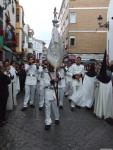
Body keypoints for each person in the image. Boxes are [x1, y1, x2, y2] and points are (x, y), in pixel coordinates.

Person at [94, 50, 113, 119]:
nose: (107, 59)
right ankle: (99, 111)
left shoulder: (109, 67)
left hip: (108, 85)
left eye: (108, 58)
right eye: (106, 58)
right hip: (101, 85)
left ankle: (106, 111)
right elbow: (98, 75)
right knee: (99, 98)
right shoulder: (101, 67)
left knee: (107, 98)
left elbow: (110, 76)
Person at [43, 63, 60, 130]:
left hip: (55, 91)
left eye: (53, 66)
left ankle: (57, 118)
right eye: (51, 66)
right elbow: (45, 84)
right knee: (47, 107)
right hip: (48, 91)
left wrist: (58, 78)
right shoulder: (45, 73)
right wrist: (52, 81)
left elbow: (60, 79)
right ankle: (48, 122)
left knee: (55, 106)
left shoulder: (56, 73)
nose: (52, 67)